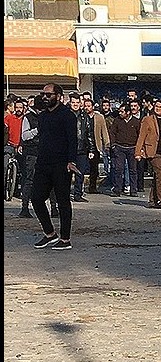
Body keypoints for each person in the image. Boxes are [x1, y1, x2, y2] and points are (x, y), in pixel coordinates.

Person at [31, 83, 82, 250]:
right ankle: (50, 234)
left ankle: (65, 239)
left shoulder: (67, 116)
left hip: (62, 164)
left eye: (49, 94)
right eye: (43, 94)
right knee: (37, 199)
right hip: (43, 163)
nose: (45, 97)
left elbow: (72, 140)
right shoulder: (43, 116)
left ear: (59, 96)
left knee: (63, 201)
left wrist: (71, 161)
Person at [18, 94, 58, 218]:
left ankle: (54, 208)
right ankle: (24, 208)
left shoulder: (50, 116)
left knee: (52, 181)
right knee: (29, 180)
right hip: (33, 153)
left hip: (48, 153)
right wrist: (37, 130)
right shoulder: (28, 118)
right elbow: (24, 136)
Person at [68, 93, 96, 202]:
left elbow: (89, 133)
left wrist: (91, 149)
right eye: (73, 102)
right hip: (68, 149)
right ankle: (65, 194)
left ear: (81, 103)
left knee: (80, 173)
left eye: (77, 102)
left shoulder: (85, 117)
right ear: (70, 103)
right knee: (67, 174)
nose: (75, 105)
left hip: (82, 149)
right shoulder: (65, 115)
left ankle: (78, 194)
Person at [108, 104, 140, 197]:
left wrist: (139, 148)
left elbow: (139, 135)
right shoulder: (117, 120)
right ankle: (117, 189)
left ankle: (133, 190)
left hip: (132, 148)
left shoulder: (136, 122)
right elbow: (112, 132)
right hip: (119, 147)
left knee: (133, 170)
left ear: (128, 112)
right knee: (119, 169)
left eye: (122, 111)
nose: (120, 113)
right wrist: (113, 145)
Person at [84, 98, 110, 194]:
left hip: (95, 145)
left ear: (93, 106)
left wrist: (106, 143)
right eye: (85, 106)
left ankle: (92, 187)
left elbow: (104, 131)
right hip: (83, 145)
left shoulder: (99, 117)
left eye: (89, 106)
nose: (87, 108)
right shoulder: (82, 116)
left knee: (94, 168)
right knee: (82, 167)